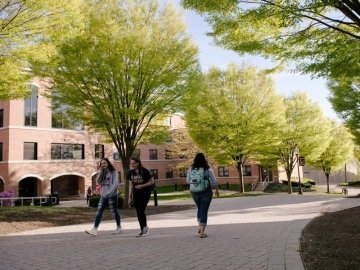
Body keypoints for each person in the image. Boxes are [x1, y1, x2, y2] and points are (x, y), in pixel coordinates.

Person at [85, 158, 122, 236]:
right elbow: (98, 181)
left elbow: (115, 184)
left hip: (112, 195)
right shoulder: (103, 173)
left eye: (104, 163)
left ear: (108, 163)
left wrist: (109, 193)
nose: (103, 165)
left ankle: (119, 227)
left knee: (114, 211)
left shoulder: (114, 172)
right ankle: (95, 229)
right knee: (99, 211)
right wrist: (100, 171)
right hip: (103, 195)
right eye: (102, 164)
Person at [187, 153, 219, 238]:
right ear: (204, 159)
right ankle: (202, 232)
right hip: (206, 192)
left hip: (194, 192)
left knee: (200, 208)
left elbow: (187, 181)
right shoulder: (208, 169)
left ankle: (200, 226)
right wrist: (216, 189)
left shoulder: (191, 169)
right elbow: (214, 182)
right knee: (204, 210)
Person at [127, 157, 154, 237]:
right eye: (131, 163)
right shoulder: (131, 172)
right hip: (136, 194)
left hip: (145, 193)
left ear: (138, 163)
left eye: (133, 163)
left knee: (141, 210)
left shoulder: (145, 171)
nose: (132, 165)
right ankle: (143, 228)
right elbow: (131, 185)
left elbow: (151, 182)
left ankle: (144, 228)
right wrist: (129, 197)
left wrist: (142, 186)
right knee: (138, 212)